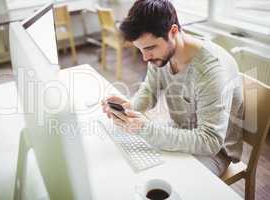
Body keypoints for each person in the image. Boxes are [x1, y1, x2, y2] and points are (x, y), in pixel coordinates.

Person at [101, 0, 243, 177]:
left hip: (214, 151)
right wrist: (129, 108)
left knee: (165, 178)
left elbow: (210, 141)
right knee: (130, 161)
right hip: (181, 130)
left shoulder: (211, 70)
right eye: (141, 49)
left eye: (150, 48)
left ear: (173, 31)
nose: (145, 58)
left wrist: (144, 128)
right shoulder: (160, 55)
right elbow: (149, 90)